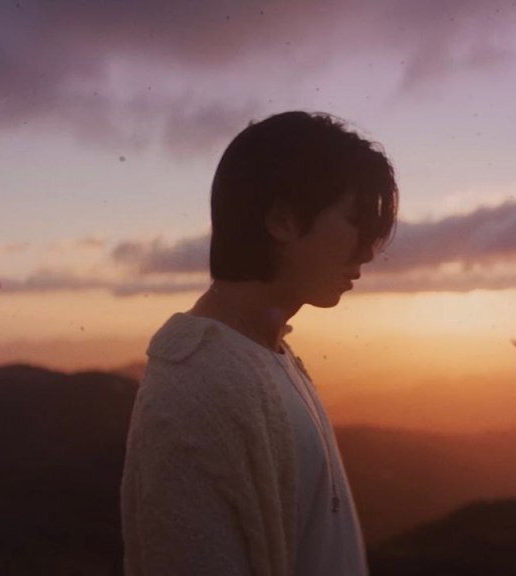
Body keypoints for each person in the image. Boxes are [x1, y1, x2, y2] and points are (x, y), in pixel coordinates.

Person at [121, 111, 399, 576]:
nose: (368, 252)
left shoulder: (268, 355)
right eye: (354, 221)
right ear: (281, 221)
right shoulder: (199, 388)